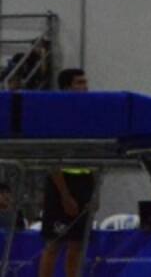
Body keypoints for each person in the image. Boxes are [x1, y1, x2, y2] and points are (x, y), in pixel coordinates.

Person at [39, 68, 93, 277]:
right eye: (79, 82)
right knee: (53, 245)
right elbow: (51, 158)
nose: (85, 87)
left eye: (85, 82)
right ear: (66, 87)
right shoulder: (57, 115)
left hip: (84, 182)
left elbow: (97, 155)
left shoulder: (88, 116)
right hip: (61, 183)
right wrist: (65, 195)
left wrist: (94, 191)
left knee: (77, 245)